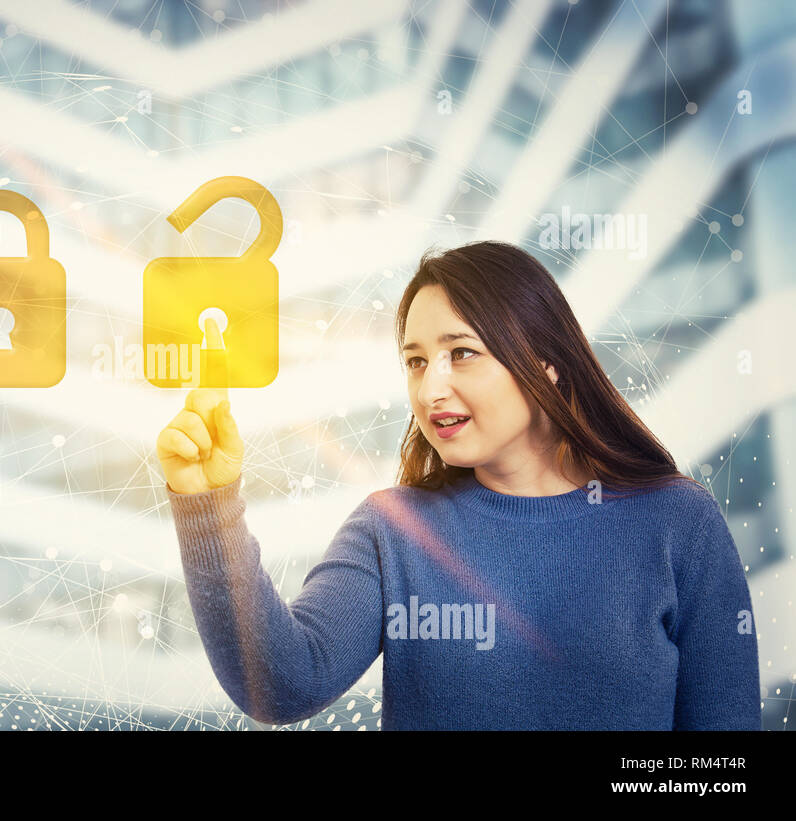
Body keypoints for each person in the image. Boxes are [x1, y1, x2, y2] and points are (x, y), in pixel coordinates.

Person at [155, 240, 761, 730]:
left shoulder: (677, 522)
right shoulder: (394, 530)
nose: (430, 389)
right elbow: (284, 684)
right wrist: (208, 508)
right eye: (416, 360)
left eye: (461, 353)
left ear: (545, 363)